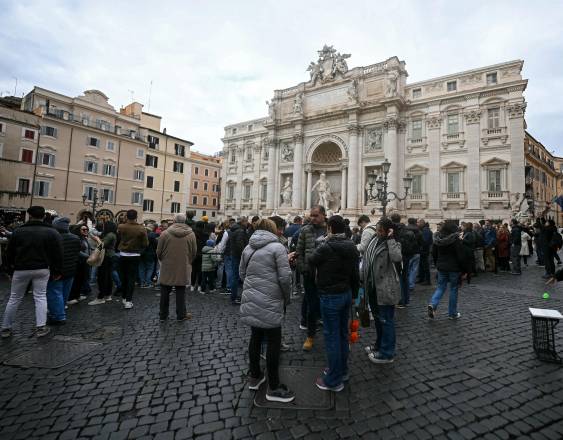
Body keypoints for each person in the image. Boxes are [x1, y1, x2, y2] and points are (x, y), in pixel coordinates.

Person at [239, 219, 294, 403]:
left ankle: (255, 376)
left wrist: (253, 286)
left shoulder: (248, 247)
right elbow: (285, 278)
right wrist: (287, 297)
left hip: (252, 298)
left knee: (255, 337)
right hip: (271, 299)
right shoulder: (277, 248)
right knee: (273, 341)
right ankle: (274, 386)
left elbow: (241, 273)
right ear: (273, 230)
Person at [309, 215, 359, 390]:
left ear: (330, 228)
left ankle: (333, 381)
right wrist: (354, 293)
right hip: (345, 293)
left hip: (330, 295)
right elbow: (355, 274)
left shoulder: (326, 246)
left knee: (332, 337)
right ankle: (342, 370)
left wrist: (321, 242)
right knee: (342, 335)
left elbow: (311, 260)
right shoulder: (352, 246)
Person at [1, 206, 63, 338]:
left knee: (14, 298)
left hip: (21, 268)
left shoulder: (18, 231)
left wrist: (9, 269)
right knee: (40, 297)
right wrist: (57, 270)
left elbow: (9, 252)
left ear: (30, 216)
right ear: (43, 216)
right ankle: (41, 327)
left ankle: (6, 328)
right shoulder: (51, 232)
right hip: (42, 268)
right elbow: (58, 253)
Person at [362, 217, 402, 363]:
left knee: (386, 321)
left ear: (388, 231)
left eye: (381, 231)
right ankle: (379, 345)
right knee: (379, 320)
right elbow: (366, 258)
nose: (378, 233)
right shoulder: (374, 241)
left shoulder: (393, 243)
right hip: (373, 287)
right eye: (377, 230)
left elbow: (397, 258)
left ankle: (387, 353)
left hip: (385, 288)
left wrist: (391, 238)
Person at [297, 206, 327, 351]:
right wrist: (303, 269)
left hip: (326, 274)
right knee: (311, 305)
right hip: (309, 273)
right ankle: (310, 336)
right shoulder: (305, 230)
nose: (313, 218)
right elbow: (299, 251)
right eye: (312, 215)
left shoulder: (329, 230)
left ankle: (329, 335)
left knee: (328, 305)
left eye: (316, 215)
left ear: (323, 215)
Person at [156, 213, 197, 321]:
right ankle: (181, 314)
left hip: (167, 264)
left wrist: (162, 259)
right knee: (180, 290)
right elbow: (194, 252)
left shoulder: (165, 233)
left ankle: (163, 315)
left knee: (165, 289)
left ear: (174, 221)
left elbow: (159, 251)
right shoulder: (191, 234)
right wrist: (188, 261)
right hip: (183, 264)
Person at [428, 221, 471, 320]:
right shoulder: (455, 240)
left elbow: (434, 253)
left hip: (441, 267)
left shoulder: (437, 238)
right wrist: (464, 270)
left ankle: (433, 304)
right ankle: (452, 313)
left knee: (440, 287)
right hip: (454, 268)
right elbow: (460, 255)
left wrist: (437, 264)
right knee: (453, 289)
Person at [45, 217, 80, 325]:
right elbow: (80, 250)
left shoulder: (54, 238)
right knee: (64, 293)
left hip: (57, 270)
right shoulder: (75, 238)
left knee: (55, 292)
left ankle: (58, 316)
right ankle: (59, 311)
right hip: (71, 270)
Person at [117, 209, 148, 309]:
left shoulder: (121, 227)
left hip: (122, 254)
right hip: (134, 255)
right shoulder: (141, 229)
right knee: (131, 278)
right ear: (136, 217)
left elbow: (119, 236)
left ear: (127, 217)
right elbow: (145, 244)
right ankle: (128, 300)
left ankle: (124, 297)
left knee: (123, 277)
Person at [390, 213, 416, 308]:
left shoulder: (393, 230)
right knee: (405, 277)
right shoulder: (406, 229)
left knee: (399, 278)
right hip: (407, 256)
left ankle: (400, 301)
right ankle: (406, 299)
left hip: (397, 257)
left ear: (391, 219)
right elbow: (414, 244)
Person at [89, 221, 118, 305]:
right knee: (108, 277)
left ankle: (100, 297)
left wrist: (96, 239)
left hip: (106, 257)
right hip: (110, 256)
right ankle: (108, 295)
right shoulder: (113, 234)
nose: (103, 227)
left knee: (102, 277)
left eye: (104, 226)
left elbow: (102, 245)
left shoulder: (110, 235)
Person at [225, 218, 248, 304]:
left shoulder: (233, 230)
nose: (247, 223)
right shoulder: (240, 231)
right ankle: (234, 297)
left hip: (234, 254)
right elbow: (239, 244)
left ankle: (233, 295)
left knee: (235, 275)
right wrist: (243, 255)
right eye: (246, 222)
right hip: (238, 256)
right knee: (236, 276)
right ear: (243, 222)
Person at [68, 224, 92, 304]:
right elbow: (78, 251)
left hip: (85, 262)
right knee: (76, 280)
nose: (86, 231)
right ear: (79, 230)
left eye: (87, 229)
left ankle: (77, 295)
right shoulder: (77, 239)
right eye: (83, 230)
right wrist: (89, 256)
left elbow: (89, 248)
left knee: (81, 279)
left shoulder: (84, 238)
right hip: (79, 262)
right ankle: (71, 297)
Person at [191, 221, 210, 292]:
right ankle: (199, 285)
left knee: (193, 270)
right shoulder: (206, 234)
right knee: (200, 271)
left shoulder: (193, 234)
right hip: (202, 254)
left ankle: (192, 286)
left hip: (194, 253)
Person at [406, 218, 423, 293]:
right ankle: (411, 285)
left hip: (407, 253)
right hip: (416, 252)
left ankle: (406, 284)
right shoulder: (419, 231)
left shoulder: (405, 230)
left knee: (407, 269)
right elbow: (422, 242)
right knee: (414, 270)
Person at [139, 224, 158, 288]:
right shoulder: (152, 234)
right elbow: (156, 244)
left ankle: (142, 282)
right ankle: (148, 282)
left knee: (142, 268)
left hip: (141, 254)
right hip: (150, 254)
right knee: (150, 268)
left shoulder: (141, 233)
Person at [417, 219, 433, 285]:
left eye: (418, 223)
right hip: (422, 250)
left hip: (424, 251)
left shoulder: (426, 230)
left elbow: (425, 241)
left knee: (425, 266)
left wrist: (420, 243)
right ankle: (421, 278)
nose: (417, 224)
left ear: (422, 223)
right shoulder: (423, 230)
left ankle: (427, 280)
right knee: (421, 265)